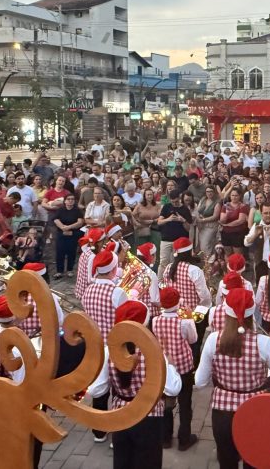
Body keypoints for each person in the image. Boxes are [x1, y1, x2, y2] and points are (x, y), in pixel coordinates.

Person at [195, 288, 270, 468]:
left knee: (227, 463)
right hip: (255, 411)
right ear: (252, 312)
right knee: (254, 462)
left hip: (222, 414)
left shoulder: (213, 340)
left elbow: (200, 381)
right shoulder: (263, 343)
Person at [89, 300, 183, 469]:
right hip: (150, 416)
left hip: (120, 415)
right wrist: (170, 364)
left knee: (122, 462)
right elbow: (173, 388)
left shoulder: (108, 351)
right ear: (144, 324)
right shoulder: (155, 351)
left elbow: (96, 390)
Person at [80, 248, 126, 443]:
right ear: (113, 269)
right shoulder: (117, 292)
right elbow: (124, 322)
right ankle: (117, 433)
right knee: (118, 389)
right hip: (115, 347)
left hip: (95, 346)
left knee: (99, 389)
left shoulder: (88, 290)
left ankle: (98, 431)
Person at [150, 287, 199, 452]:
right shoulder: (184, 321)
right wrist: (190, 317)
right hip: (183, 365)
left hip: (165, 365)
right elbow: (193, 339)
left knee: (166, 403)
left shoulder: (155, 320)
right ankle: (184, 439)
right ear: (178, 302)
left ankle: (165, 437)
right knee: (185, 403)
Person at [161, 237, 212, 357]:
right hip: (193, 315)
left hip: (175, 313)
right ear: (189, 253)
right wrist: (205, 307)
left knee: (178, 343)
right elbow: (204, 296)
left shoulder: (168, 268)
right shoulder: (194, 270)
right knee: (195, 344)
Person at [157, 190, 193, 276]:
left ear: (180, 198)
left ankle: (174, 279)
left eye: (176, 201)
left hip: (179, 241)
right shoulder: (166, 207)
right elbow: (159, 222)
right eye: (172, 202)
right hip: (166, 239)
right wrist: (168, 219)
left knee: (177, 262)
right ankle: (160, 281)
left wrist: (183, 220)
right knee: (163, 261)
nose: (174, 203)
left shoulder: (185, 209)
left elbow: (188, 228)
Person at [53, 193, 82, 279]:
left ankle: (70, 270)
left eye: (72, 199)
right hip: (61, 234)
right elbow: (55, 219)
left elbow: (80, 222)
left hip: (73, 234)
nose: (70, 201)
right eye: (68, 199)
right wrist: (63, 228)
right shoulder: (61, 210)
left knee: (71, 252)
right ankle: (59, 271)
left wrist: (68, 227)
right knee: (60, 252)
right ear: (65, 201)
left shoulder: (77, 210)